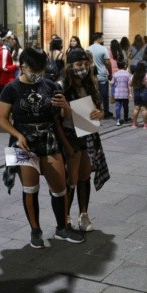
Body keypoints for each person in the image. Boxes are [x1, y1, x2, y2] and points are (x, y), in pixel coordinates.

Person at [0, 47, 84, 247]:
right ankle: (35, 231)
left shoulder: (51, 86)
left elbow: (65, 118)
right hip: (22, 141)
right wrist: (18, 135)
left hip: (48, 137)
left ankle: (62, 228)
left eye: (41, 70)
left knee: (60, 187)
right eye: (33, 70)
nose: (37, 75)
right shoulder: (11, 88)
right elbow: (2, 119)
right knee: (30, 188)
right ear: (23, 66)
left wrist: (65, 107)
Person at [60, 48, 109, 231]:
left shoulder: (90, 85)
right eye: (79, 64)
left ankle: (84, 214)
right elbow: (58, 117)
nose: (84, 68)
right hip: (70, 135)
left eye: (86, 64)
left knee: (85, 175)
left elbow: (99, 109)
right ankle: (65, 215)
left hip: (88, 134)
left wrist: (100, 113)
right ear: (70, 66)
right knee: (71, 178)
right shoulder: (62, 87)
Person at [87, 32, 112, 119]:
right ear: (99, 39)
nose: (102, 40)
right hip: (102, 75)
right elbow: (107, 63)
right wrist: (110, 73)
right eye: (102, 38)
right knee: (104, 96)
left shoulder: (88, 49)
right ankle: (105, 112)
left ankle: (94, 111)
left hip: (91, 76)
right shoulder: (103, 49)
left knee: (93, 95)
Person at [130, 61, 147, 128]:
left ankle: (134, 123)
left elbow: (131, 84)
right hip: (145, 92)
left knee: (136, 108)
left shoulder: (133, 76)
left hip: (136, 92)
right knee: (144, 109)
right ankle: (145, 124)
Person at [110, 59, 130, 126]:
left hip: (117, 94)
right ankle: (126, 118)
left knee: (118, 107)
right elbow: (130, 83)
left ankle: (118, 120)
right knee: (125, 106)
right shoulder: (127, 74)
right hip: (125, 93)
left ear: (118, 66)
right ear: (124, 66)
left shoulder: (115, 74)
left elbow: (112, 83)